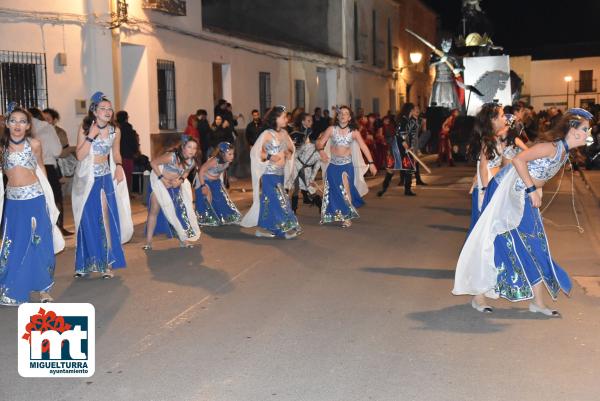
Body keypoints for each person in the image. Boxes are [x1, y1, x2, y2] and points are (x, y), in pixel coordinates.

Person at [454, 108, 594, 316]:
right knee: (492, 241)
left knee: (534, 244)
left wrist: (537, 187)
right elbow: (519, 161)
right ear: (573, 131)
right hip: (509, 194)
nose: (588, 134)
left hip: (523, 195)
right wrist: (531, 187)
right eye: (585, 129)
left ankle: (537, 302)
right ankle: (479, 295)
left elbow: (526, 162)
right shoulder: (550, 147)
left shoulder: (563, 152)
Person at [0, 105, 64, 305]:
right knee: (13, 243)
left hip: (35, 199)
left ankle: (44, 288)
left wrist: (48, 199)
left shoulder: (34, 144)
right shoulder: (2, 147)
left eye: (22, 121)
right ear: (7, 124)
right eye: (13, 121)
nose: (17, 125)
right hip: (13, 203)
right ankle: (12, 286)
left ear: (28, 125)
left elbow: (41, 169)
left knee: (39, 243)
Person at [72, 92, 133, 279]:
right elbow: (79, 156)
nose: (107, 111)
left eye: (109, 108)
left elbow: (115, 153)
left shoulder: (116, 130)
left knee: (106, 216)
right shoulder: (84, 129)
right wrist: (91, 136)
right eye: (102, 108)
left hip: (105, 177)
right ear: (94, 111)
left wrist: (120, 166)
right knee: (87, 218)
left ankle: (107, 262)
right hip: (86, 179)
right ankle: (86, 262)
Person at [241, 105, 301, 239]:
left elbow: (292, 149)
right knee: (280, 199)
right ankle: (283, 229)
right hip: (269, 174)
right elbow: (256, 153)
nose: (286, 119)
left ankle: (263, 229)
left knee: (269, 201)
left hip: (280, 173)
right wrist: (269, 156)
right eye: (284, 117)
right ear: (276, 119)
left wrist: (288, 152)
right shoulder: (267, 134)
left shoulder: (285, 134)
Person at [317, 105, 377, 227]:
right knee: (333, 191)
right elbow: (319, 142)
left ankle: (347, 216)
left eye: (346, 113)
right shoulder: (331, 129)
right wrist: (322, 151)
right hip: (333, 165)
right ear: (338, 116)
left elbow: (364, 147)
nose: (343, 115)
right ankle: (335, 213)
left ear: (350, 118)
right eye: (341, 113)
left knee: (346, 188)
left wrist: (371, 163)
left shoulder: (354, 132)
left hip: (346, 165)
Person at [144, 136, 201, 249]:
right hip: (160, 183)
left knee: (179, 212)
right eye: (189, 147)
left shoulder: (192, 161)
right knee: (154, 209)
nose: (192, 150)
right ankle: (149, 242)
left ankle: (183, 240)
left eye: (194, 148)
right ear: (183, 147)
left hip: (174, 186)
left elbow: (186, 172)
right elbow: (153, 163)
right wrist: (163, 179)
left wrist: (180, 180)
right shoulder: (171, 157)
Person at [467, 103, 505, 231]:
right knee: (485, 224)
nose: (505, 118)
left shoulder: (494, 137)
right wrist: (485, 190)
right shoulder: (488, 140)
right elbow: (483, 166)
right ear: (493, 120)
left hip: (495, 181)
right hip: (488, 183)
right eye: (502, 115)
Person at [28, 108, 67, 236]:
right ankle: (58, 227)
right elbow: (57, 151)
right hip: (48, 166)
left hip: (31, 169)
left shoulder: (26, 129)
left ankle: (40, 228)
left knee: (39, 198)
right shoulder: (48, 128)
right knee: (55, 197)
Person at [195, 142, 242, 226]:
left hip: (215, 181)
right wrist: (203, 186)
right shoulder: (214, 161)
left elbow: (220, 171)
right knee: (207, 198)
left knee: (220, 198)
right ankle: (204, 218)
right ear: (223, 154)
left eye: (233, 154)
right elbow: (201, 171)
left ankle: (224, 217)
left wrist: (221, 183)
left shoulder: (227, 161)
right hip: (204, 180)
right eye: (230, 154)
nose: (232, 156)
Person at [290, 113, 322, 213]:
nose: (311, 122)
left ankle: (320, 205)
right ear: (303, 121)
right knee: (295, 188)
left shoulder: (310, 132)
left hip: (305, 166)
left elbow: (311, 147)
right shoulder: (297, 132)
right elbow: (294, 149)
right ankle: (293, 210)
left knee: (309, 187)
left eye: (311, 120)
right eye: (308, 120)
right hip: (296, 163)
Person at [116, 110, 140, 191]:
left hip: (117, 156)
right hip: (127, 156)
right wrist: (136, 151)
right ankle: (127, 194)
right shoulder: (129, 129)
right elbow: (133, 142)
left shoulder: (116, 129)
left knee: (119, 176)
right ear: (126, 118)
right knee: (127, 176)